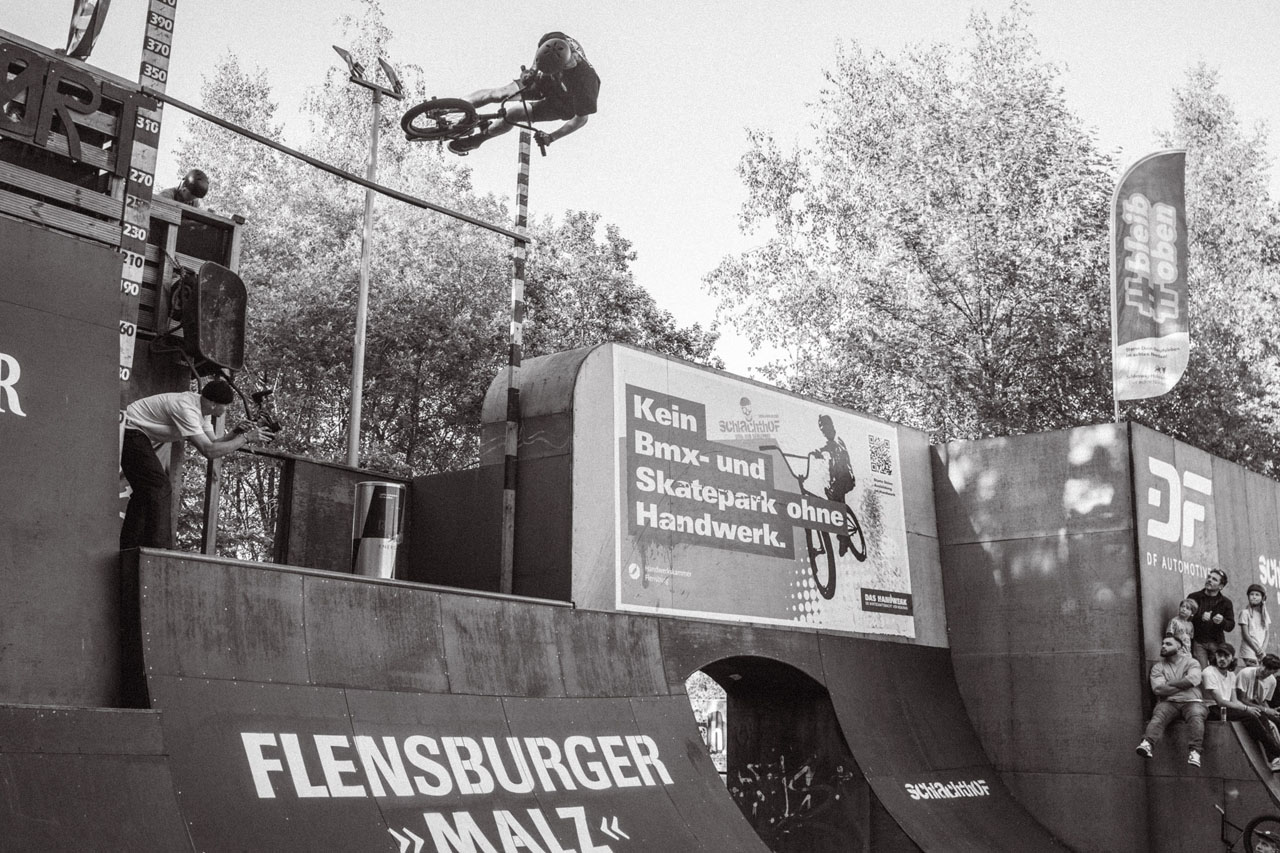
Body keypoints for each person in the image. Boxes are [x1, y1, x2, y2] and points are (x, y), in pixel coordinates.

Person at [120, 380, 273, 550]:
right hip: (128, 429)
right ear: (213, 403)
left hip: (135, 432)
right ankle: (160, 549)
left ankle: (129, 546)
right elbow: (209, 451)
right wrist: (246, 438)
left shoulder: (203, 410)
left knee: (146, 491)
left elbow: (214, 442)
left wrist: (236, 432)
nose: (226, 409)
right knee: (159, 486)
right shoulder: (187, 408)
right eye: (226, 406)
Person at [448, 32, 599, 155]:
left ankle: (477, 140)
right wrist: (533, 70)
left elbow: (581, 119)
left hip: (562, 103)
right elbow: (542, 49)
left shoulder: (585, 84)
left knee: (514, 114)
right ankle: (450, 106)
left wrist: (552, 137)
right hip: (544, 81)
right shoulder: (555, 40)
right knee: (500, 94)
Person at [1201, 643, 1280, 771]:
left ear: (1232, 658)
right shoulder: (1208, 672)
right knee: (1250, 716)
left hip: (1228, 708)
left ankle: (1274, 758)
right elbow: (1220, 701)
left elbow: (1235, 700)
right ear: (1215, 656)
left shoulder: (1231, 675)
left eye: (1226, 656)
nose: (1222, 659)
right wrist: (1246, 708)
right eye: (1219, 655)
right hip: (1212, 708)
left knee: (1258, 714)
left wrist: (1252, 709)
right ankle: (1276, 751)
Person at [1135, 635, 1207, 767]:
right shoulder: (1158, 667)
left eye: (1168, 644)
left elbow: (1193, 680)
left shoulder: (1192, 662)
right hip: (1169, 703)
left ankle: (1195, 751)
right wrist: (1184, 684)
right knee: (1159, 715)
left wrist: (1170, 684)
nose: (1163, 646)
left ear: (1179, 648)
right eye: (1163, 643)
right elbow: (1158, 690)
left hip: (1192, 701)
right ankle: (1147, 744)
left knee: (1196, 715)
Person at [1189, 569, 1236, 669]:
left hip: (1217, 643)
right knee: (1202, 672)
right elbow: (1186, 618)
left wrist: (1222, 621)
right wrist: (1200, 617)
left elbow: (1230, 625)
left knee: (1218, 671)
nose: (1209, 580)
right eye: (1209, 577)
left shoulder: (1226, 602)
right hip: (1199, 641)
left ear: (1221, 586)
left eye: (1214, 579)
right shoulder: (1194, 597)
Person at [1240, 583, 1272, 667]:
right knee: (1253, 672)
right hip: (1249, 651)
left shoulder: (1265, 614)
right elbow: (1245, 635)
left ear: (1263, 598)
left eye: (1257, 595)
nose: (1254, 597)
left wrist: (1263, 649)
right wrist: (1257, 649)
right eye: (1251, 594)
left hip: (1261, 651)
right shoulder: (1245, 613)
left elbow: (1267, 633)